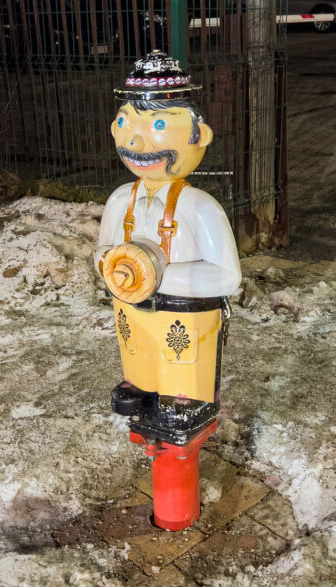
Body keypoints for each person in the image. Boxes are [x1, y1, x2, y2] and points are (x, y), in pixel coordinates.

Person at [95, 51, 241, 444]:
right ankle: (139, 385)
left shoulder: (199, 207)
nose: (136, 140)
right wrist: (113, 266)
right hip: (130, 314)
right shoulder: (119, 200)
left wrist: (154, 274)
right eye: (126, 122)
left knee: (180, 377)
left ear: (200, 135)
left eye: (158, 124)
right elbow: (102, 252)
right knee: (139, 363)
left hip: (184, 319)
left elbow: (227, 276)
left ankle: (184, 402)